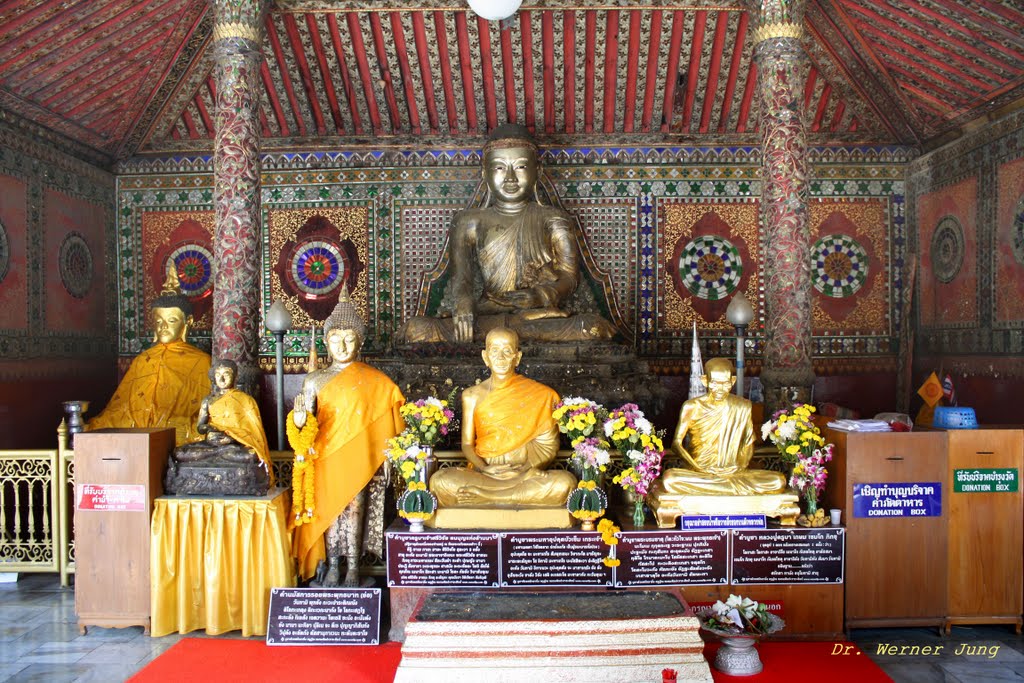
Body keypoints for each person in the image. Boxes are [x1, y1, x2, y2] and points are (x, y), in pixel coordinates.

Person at [398, 124, 616, 343]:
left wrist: (539, 295)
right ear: (485, 173)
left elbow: (569, 278)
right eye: (500, 168)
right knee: (417, 330)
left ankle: (504, 340)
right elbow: (462, 280)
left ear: (537, 171)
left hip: (534, 318)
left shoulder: (553, 219)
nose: (510, 178)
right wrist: (463, 304)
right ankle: (503, 339)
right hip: (488, 315)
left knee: (592, 327)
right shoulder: (467, 222)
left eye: (520, 166)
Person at [290, 288, 404, 587]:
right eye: (335, 339)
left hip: (359, 457)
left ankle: (353, 567)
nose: (342, 345)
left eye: (349, 338)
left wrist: (390, 452)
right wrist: (300, 421)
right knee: (328, 511)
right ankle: (331, 565)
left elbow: (389, 417)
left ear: (360, 342)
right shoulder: (314, 380)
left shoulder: (374, 380)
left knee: (355, 508)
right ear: (326, 342)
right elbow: (304, 425)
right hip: (325, 454)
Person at [429, 327, 577, 507]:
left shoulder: (543, 395)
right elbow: (467, 445)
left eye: (507, 351)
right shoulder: (471, 395)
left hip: (525, 474)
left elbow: (548, 446)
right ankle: (507, 495)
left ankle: (491, 498)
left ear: (517, 357)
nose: (500, 357)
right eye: (494, 351)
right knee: (440, 481)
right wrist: (485, 468)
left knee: (565, 483)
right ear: (485, 357)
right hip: (485, 475)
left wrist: (524, 469)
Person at [88, 267, 210, 447]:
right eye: (158, 321)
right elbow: (120, 407)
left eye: (171, 321)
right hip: (137, 434)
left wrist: (176, 423)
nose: (163, 327)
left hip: (178, 434)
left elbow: (208, 413)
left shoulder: (201, 362)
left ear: (188, 322)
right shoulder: (143, 360)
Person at [657, 358, 787, 495]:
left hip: (733, 473)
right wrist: (699, 468)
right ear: (705, 380)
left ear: (733, 381)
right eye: (715, 383)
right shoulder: (692, 406)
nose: (720, 389)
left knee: (778, 481)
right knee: (670, 479)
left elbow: (748, 443)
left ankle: (719, 488)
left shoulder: (742, 406)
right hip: (700, 473)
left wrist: (739, 467)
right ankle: (726, 489)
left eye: (725, 384)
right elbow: (676, 444)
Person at [167, 359, 272, 494]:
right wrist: (210, 429)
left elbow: (252, 430)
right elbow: (200, 427)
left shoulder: (245, 400)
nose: (222, 378)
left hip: (234, 445)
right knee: (179, 453)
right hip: (211, 444)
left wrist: (231, 436)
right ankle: (217, 454)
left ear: (235, 376)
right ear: (213, 377)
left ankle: (218, 454)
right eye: (218, 375)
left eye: (226, 374)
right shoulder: (208, 400)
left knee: (251, 455)